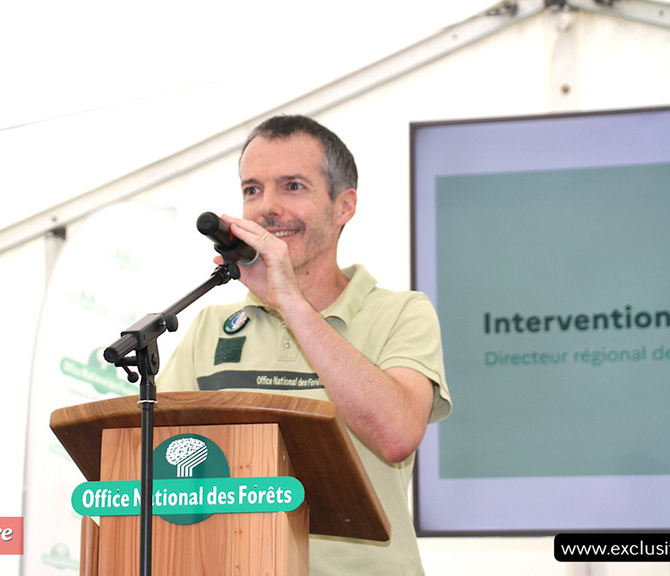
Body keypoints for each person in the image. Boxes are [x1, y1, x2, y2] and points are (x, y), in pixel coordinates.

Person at [158, 114, 451, 575]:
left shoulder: (402, 312)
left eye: (292, 186)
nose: (266, 208)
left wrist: (290, 303)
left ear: (344, 206)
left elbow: (396, 435)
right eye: (252, 189)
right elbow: (159, 463)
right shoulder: (211, 326)